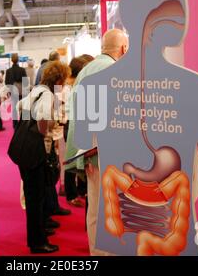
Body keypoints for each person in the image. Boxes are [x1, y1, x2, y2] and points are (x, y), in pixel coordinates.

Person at [65, 29, 129, 255]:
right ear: (123, 49)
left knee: (95, 209)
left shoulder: (85, 71)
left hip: (88, 152)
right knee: (113, 211)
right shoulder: (116, 70)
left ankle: (96, 252)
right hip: (110, 153)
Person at [16, 61, 70, 254]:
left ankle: (39, 232)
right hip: (36, 151)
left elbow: (19, 106)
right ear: (58, 79)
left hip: (26, 150)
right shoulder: (47, 95)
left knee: (35, 196)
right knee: (35, 198)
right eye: (63, 81)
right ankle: (37, 241)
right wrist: (43, 132)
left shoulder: (37, 90)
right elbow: (42, 120)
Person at [61, 56, 93, 207]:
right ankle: (71, 193)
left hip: (76, 124)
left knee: (81, 159)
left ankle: (81, 190)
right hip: (71, 125)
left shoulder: (76, 84)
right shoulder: (69, 87)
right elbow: (67, 110)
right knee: (72, 159)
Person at [5, 53, 27, 129]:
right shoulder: (22, 70)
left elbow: (6, 83)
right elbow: (25, 82)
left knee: (14, 108)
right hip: (21, 91)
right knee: (23, 107)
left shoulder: (8, 71)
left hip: (13, 91)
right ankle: (23, 123)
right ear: (18, 60)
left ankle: (15, 124)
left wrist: (8, 92)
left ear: (11, 60)